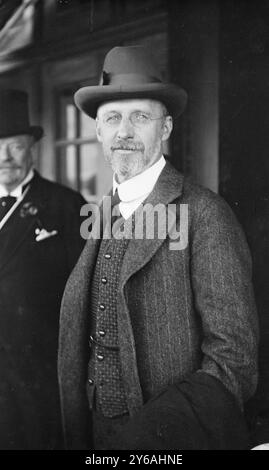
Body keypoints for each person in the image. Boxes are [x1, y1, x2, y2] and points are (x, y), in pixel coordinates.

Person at [58, 46, 259, 450]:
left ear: (165, 128)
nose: (125, 132)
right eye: (112, 118)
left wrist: (155, 435)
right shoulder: (100, 213)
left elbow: (234, 360)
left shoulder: (205, 213)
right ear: (98, 131)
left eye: (140, 117)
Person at [0, 89, 86, 449]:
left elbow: (85, 294)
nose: (4, 157)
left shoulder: (66, 205)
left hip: (39, 376)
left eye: (14, 145)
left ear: (32, 146)